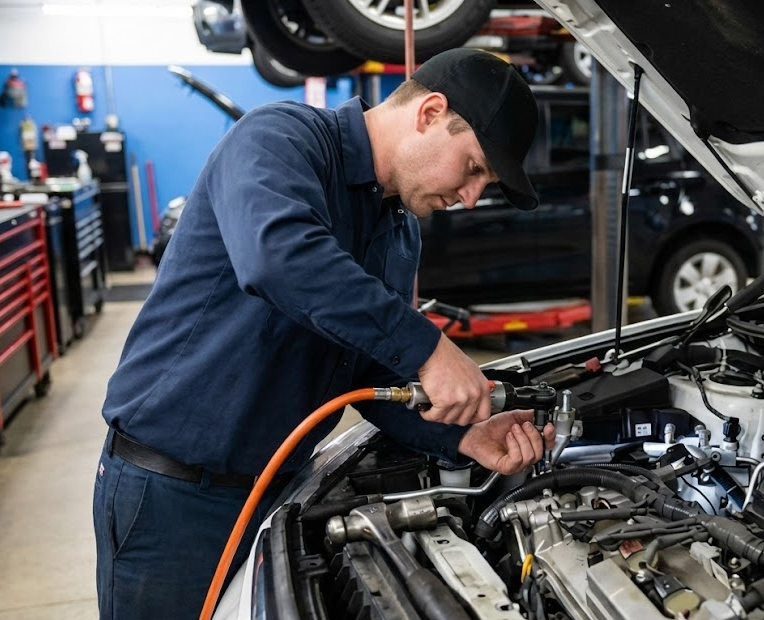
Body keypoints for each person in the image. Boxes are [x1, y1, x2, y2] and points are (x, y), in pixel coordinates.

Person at [93, 48, 555, 620]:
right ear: (430, 112)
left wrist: (461, 435)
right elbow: (277, 257)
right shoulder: (280, 139)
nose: (471, 196)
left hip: (279, 498)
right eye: (475, 167)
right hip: (174, 499)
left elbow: (366, 371)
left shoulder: (399, 230)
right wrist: (429, 346)